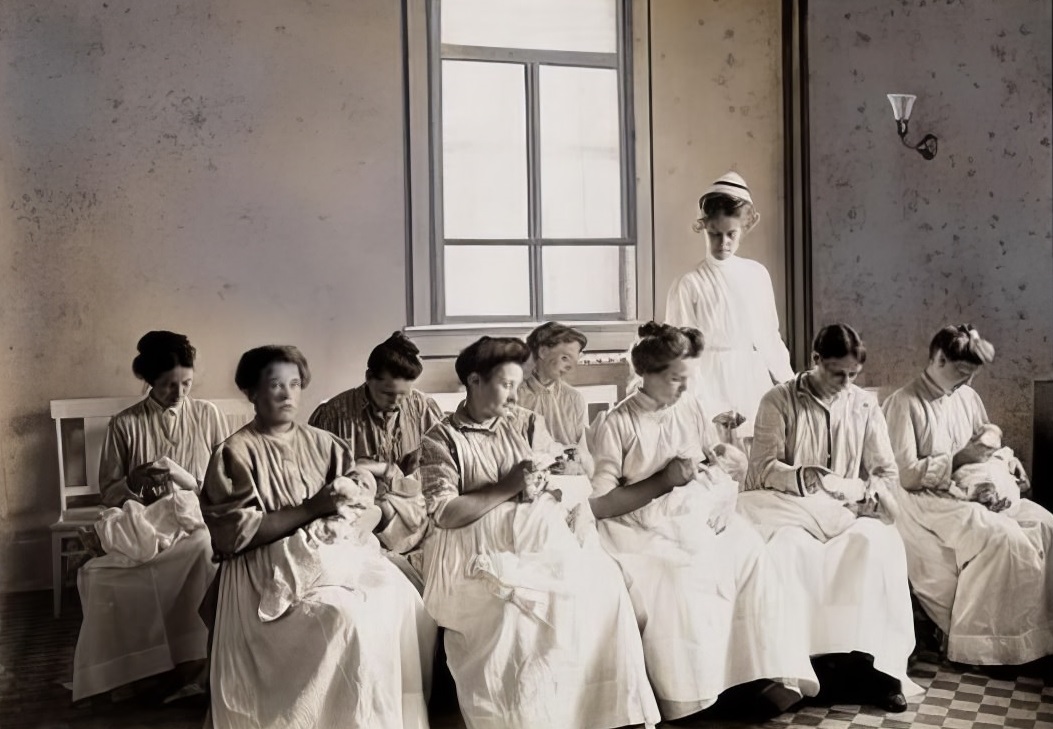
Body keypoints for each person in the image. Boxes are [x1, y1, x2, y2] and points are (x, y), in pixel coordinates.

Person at [420, 336, 660, 729]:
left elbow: (557, 474)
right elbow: (445, 513)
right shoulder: (442, 439)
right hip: (471, 550)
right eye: (506, 385)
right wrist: (507, 487)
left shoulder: (525, 422)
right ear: (475, 381)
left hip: (533, 538)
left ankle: (600, 715)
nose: (514, 396)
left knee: (603, 587)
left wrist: (556, 474)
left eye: (517, 384)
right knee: (515, 612)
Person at [588, 322, 818, 722]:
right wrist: (663, 480)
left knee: (749, 553)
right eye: (675, 380)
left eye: (686, 379)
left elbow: (707, 455)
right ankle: (691, 697)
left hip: (692, 509)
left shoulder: (689, 405)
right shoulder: (617, 424)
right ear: (647, 375)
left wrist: (720, 464)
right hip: (636, 524)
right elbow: (600, 504)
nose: (682, 388)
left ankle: (750, 677)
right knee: (678, 576)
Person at [201, 345, 435, 729]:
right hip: (264, 571)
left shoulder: (324, 443)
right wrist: (312, 508)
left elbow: (353, 499)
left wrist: (355, 497)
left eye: (294, 384)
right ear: (251, 392)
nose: (287, 394)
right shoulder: (234, 453)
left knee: (405, 601)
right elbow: (233, 537)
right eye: (275, 385)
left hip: (327, 553)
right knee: (347, 619)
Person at [740, 324, 920, 713]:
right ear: (815, 360)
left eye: (854, 374)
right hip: (788, 508)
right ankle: (792, 672)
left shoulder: (863, 405)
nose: (846, 382)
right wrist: (798, 476)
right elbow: (759, 470)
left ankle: (873, 667)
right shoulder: (778, 399)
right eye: (837, 373)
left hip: (845, 512)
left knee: (875, 546)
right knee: (789, 552)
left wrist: (874, 491)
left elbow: (886, 469)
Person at [882, 324, 1053, 665]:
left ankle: (1029, 639)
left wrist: (1008, 461)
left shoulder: (967, 397)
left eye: (972, 375)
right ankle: (985, 646)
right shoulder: (904, 403)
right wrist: (958, 459)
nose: (967, 382)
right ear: (939, 359)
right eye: (962, 372)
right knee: (1001, 537)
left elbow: (986, 441)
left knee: (1046, 523)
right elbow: (905, 474)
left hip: (970, 488)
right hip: (924, 500)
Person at [72, 331, 227, 703]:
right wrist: (136, 483)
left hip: (197, 520)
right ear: (149, 381)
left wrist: (191, 484)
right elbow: (108, 489)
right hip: (148, 523)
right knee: (112, 573)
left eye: (186, 383)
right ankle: (142, 667)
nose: (179, 393)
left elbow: (226, 479)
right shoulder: (124, 424)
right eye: (168, 385)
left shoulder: (207, 415)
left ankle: (196, 663)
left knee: (205, 547)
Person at [665, 171, 795, 448]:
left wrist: (793, 388)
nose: (723, 243)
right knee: (718, 458)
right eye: (714, 234)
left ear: (744, 228)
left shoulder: (757, 275)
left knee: (756, 458)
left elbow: (770, 338)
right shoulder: (689, 284)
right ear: (703, 228)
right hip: (710, 382)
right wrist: (703, 405)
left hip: (752, 380)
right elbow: (682, 355)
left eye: (731, 234)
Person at [309, 331, 444, 587]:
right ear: (369, 378)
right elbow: (315, 480)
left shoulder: (422, 408)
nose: (396, 402)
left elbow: (442, 469)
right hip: (355, 522)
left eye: (404, 394)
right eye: (387, 393)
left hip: (412, 520)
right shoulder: (332, 415)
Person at [516, 321, 593, 476]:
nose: (570, 366)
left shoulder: (574, 398)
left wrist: (578, 465)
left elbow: (583, 450)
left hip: (568, 478)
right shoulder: (514, 396)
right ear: (543, 352)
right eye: (565, 358)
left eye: (574, 360)